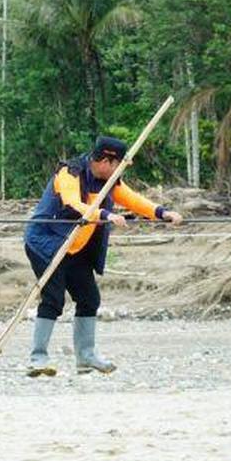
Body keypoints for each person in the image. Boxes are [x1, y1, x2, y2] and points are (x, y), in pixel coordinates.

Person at [23, 135, 183, 377]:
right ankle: (38, 358)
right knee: (53, 299)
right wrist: (105, 215)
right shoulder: (70, 173)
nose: (119, 171)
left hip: (77, 247)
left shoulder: (110, 181)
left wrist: (162, 213)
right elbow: (73, 204)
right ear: (106, 161)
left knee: (89, 298)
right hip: (47, 243)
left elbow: (133, 200)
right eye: (118, 165)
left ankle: (85, 357)